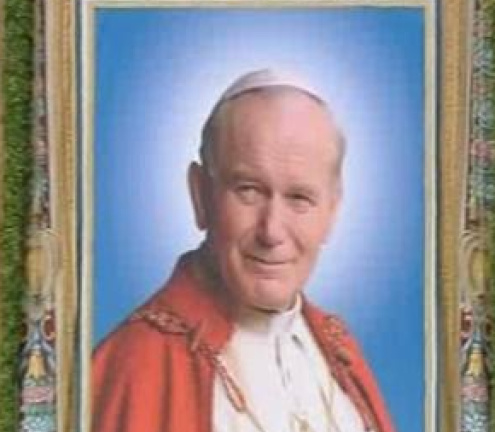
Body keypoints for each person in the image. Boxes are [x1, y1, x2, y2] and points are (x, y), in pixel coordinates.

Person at [91, 69, 397, 432]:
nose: (272, 231)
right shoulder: (137, 362)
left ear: (331, 211)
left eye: (300, 198)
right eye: (248, 190)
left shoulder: (340, 350)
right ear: (201, 196)